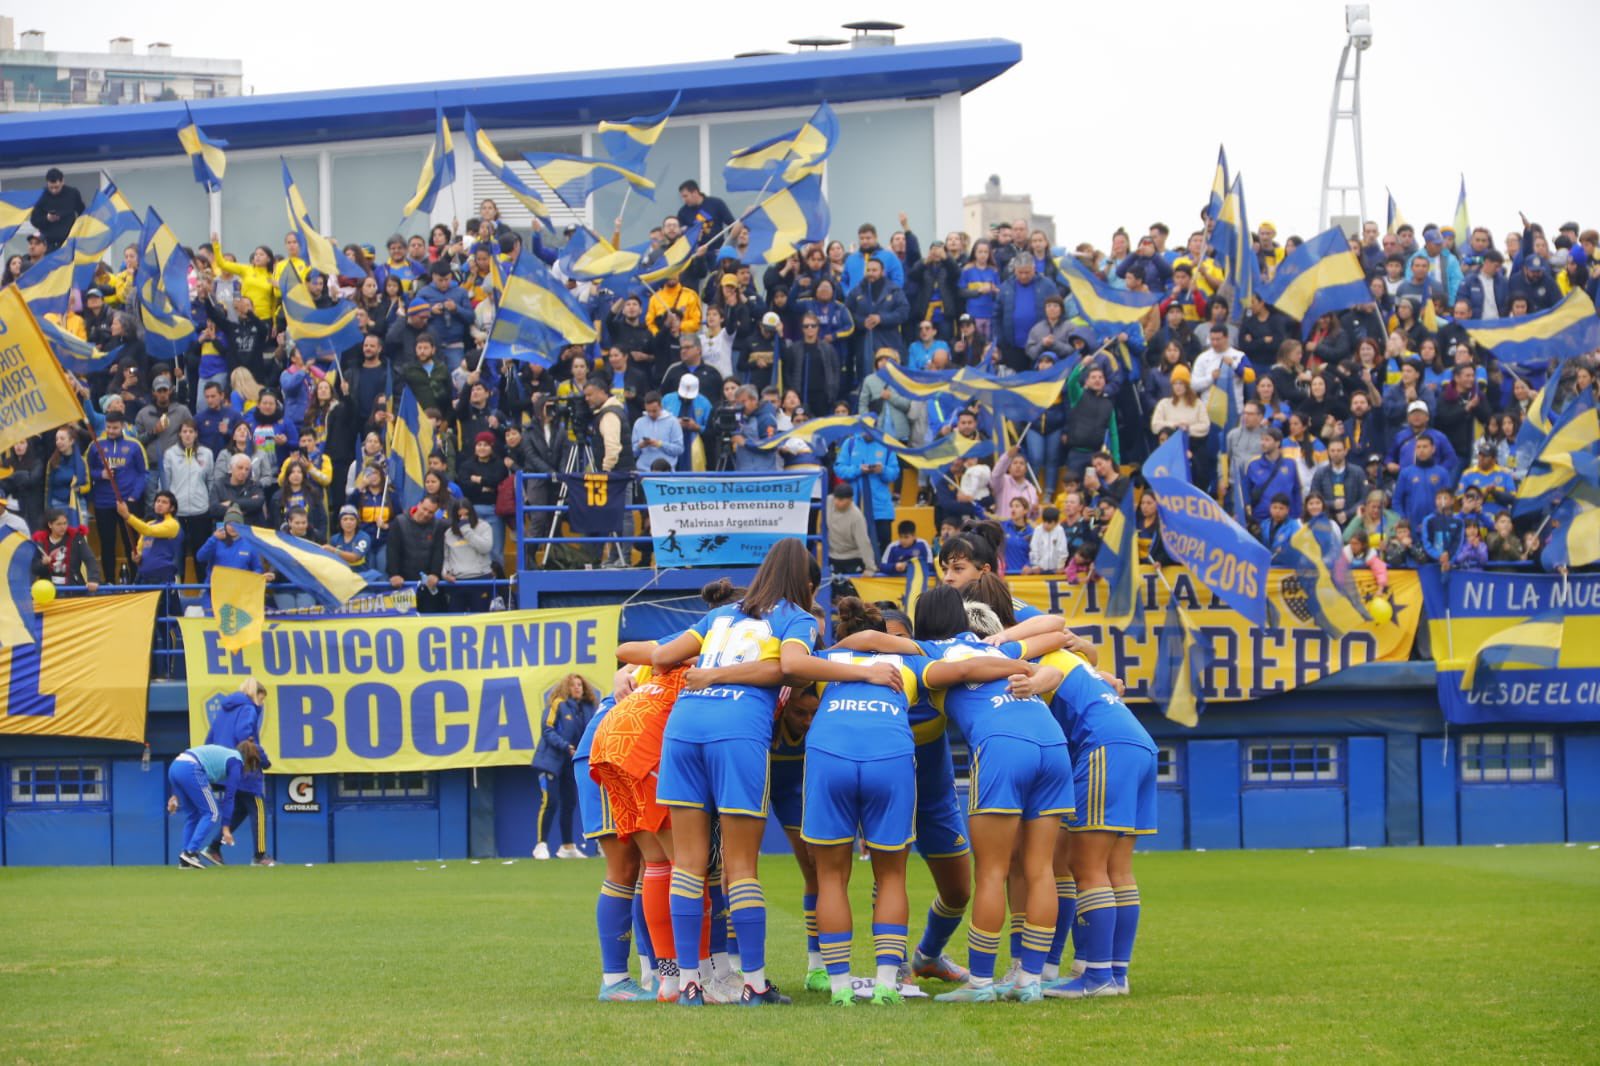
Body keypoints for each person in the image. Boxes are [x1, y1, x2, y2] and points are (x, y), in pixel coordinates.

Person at [646, 539, 891, 1007]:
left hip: (684, 728)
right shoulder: (794, 617)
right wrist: (867, 674)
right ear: (805, 583)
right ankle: (753, 984)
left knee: (688, 864)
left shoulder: (721, 615)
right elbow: (794, 665)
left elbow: (661, 656)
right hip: (736, 732)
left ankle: (688, 982)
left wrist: (639, 669)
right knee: (739, 866)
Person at [808, 597, 1050, 1007]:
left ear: (913, 639)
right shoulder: (896, 666)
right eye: (887, 639)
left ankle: (927, 956)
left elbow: (974, 668)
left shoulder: (924, 667)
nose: (889, 647)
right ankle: (892, 969)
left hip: (929, 792)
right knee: (883, 873)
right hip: (887, 767)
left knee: (958, 890)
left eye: (899, 640)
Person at [201, 679, 275, 866]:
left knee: (241, 810)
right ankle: (260, 856)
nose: (262, 703)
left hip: (225, 767)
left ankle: (214, 848)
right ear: (255, 694)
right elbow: (246, 738)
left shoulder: (224, 710)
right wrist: (263, 759)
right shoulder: (248, 709)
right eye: (262, 698)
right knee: (258, 809)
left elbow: (210, 739)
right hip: (246, 768)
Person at [165, 740, 263, 869]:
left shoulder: (227, 753)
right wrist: (226, 827)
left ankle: (185, 859)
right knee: (212, 812)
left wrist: (174, 795)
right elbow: (229, 796)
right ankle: (190, 852)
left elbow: (183, 767)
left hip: (175, 767)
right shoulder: (236, 762)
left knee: (193, 815)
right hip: (191, 767)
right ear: (249, 759)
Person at [533, 674, 598, 861]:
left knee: (569, 803)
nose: (577, 688)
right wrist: (565, 746)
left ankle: (567, 847)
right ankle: (541, 845)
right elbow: (547, 730)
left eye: (580, 685)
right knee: (550, 802)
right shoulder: (558, 703)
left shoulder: (588, 708)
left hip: (572, 763)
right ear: (565, 688)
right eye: (573, 685)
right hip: (551, 762)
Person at [31, 508, 102, 592]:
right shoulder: (40, 541)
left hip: (72, 588)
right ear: (50, 525)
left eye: (65, 523)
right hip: (48, 590)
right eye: (59, 524)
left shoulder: (76, 538)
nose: (63, 527)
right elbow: (34, 568)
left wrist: (93, 579)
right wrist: (43, 563)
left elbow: (90, 559)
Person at [30, 168, 85, 250]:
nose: (54, 190)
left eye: (56, 187)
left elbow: (83, 212)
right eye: (51, 187)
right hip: (48, 243)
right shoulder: (41, 196)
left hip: (69, 241)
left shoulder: (72, 194)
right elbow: (34, 220)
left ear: (62, 181)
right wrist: (47, 218)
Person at [826, 485, 875, 575]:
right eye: (836, 498)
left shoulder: (857, 517)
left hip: (853, 558)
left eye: (841, 500)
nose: (837, 502)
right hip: (832, 556)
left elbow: (863, 542)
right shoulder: (829, 501)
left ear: (850, 499)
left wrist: (870, 568)